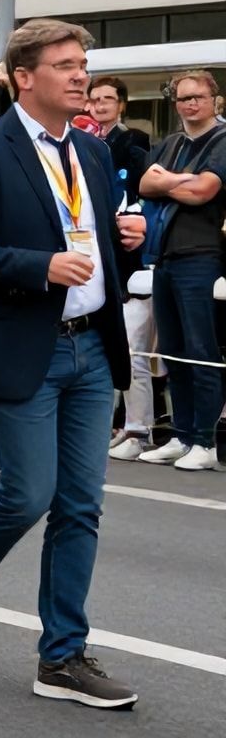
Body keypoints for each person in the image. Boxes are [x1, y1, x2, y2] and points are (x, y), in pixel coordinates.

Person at [0, 19, 142, 710]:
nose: (81, 76)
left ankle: (62, 656)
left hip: (91, 349)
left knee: (81, 506)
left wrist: (124, 239)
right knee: (28, 494)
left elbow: (90, 241)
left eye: (84, 64)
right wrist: (40, 266)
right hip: (22, 346)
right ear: (24, 76)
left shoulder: (93, 153)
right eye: (66, 65)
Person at [135, 69, 226, 471]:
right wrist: (181, 181)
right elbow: (143, 186)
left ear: (215, 100)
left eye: (198, 97)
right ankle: (181, 435)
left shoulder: (223, 140)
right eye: (184, 98)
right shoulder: (169, 143)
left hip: (202, 255)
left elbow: (205, 191)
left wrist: (166, 181)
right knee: (172, 352)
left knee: (201, 351)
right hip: (165, 256)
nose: (191, 104)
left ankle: (205, 443)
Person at [83, 76, 155, 460]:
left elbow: (139, 191)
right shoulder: (81, 139)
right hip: (93, 246)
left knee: (132, 348)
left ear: (121, 104)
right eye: (94, 99)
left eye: (108, 99)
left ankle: (136, 427)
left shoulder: (135, 140)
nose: (100, 105)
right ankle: (112, 422)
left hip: (127, 246)